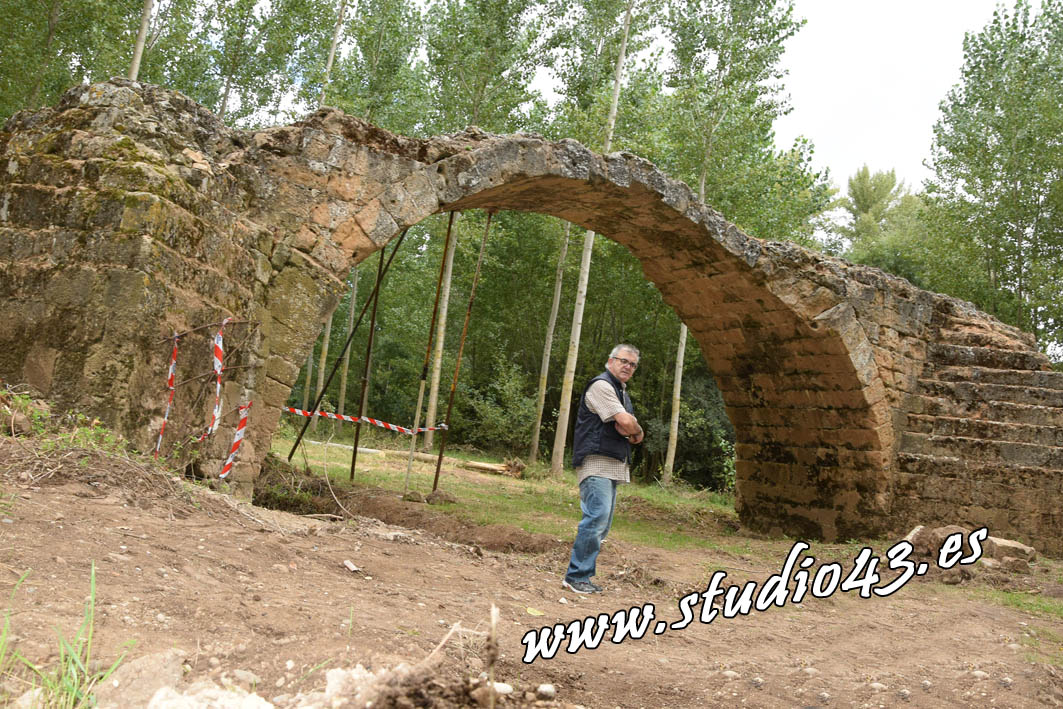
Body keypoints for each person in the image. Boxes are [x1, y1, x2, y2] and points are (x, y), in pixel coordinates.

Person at [562, 344, 644, 594]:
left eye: (632, 364)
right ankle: (576, 577)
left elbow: (634, 432)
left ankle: (582, 576)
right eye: (623, 361)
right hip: (596, 462)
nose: (628, 367)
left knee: (602, 524)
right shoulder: (602, 386)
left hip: (611, 464)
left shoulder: (620, 391)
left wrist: (634, 429)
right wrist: (634, 427)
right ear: (611, 361)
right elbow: (626, 423)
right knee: (596, 518)